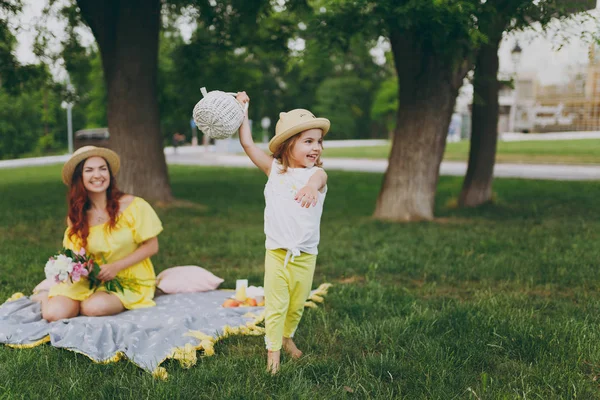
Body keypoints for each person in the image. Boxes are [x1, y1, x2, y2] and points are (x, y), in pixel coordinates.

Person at [236, 92, 330, 374]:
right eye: (309, 141)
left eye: (319, 142)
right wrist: (244, 110)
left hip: (305, 255)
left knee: (297, 305)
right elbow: (248, 144)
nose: (316, 148)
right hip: (277, 252)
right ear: (289, 146)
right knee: (276, 305)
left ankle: (287, 337)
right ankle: (273, 353)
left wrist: (312, 187)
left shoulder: (319, 176)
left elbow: (319, 178)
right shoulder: (275, 170)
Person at [39, 146, 163, 322]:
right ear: (79, 178)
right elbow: (76, 255)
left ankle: (86, 303)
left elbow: (152, 246)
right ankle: (45, 296)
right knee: (53, 314)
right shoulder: (77, 215)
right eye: (89, 170)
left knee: (94, 307)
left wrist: (115, 267)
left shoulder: (134, 205)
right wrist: (84, 268)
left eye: (102, 168)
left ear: (110, 175)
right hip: (90, 277)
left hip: (127, 277)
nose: (97, 175)